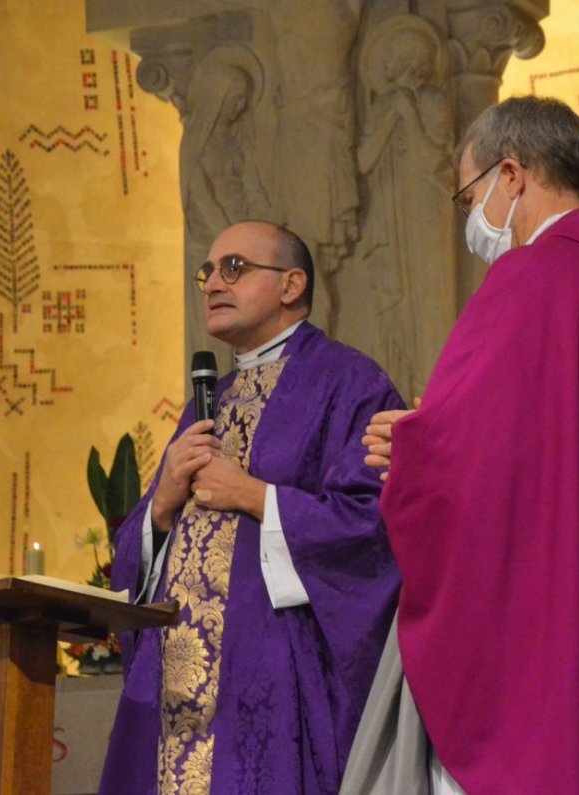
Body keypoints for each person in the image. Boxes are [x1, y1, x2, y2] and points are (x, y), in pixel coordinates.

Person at [346, 96, 579, 794]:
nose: (471, 219)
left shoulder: (527, 278)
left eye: (468, 194)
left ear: (510, 175)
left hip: (546, 633)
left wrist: (414, 448)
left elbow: (483, 469)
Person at [99, 221, 404, 795]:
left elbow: (374, 528)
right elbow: (139, 552)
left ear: (291, 284)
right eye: (207, 272)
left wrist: (255, 496)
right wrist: (161, 507)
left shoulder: (348, 382)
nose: (213, 281)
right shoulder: (208, 400)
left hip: (270, 676)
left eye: (233, 268)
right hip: (172, 681)